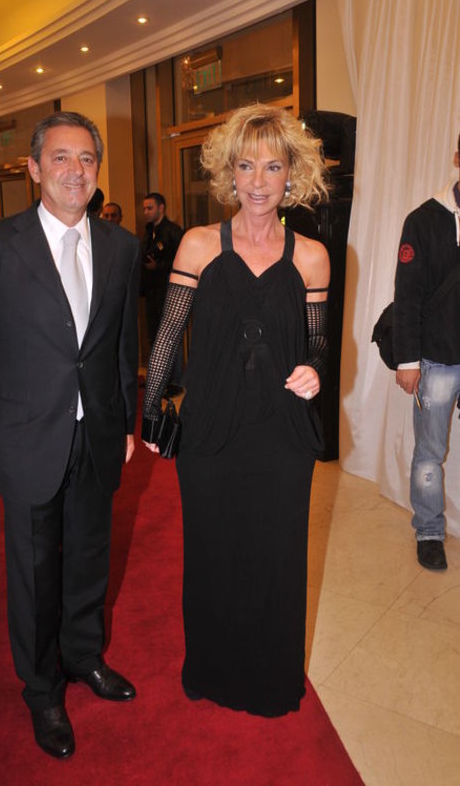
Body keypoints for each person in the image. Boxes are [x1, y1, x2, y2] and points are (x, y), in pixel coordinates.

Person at [0, 111, 141, 759]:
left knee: (90, 554)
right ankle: (41, 689)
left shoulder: (121, 246)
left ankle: (84, 655)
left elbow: (121, 344)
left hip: (98, 431)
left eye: (86, 158)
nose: (75, 171)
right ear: (35, 168)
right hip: (26, 433)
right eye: (61, 157)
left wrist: (124, 421)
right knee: (34, 571)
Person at [142, 104, 329, 717]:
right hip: (210, 430)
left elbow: (318, 343)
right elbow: (168, 335)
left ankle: (272, 678)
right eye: (246, 166)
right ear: (229, 172)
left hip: (282, 434)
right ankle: (211, 668)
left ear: (291, 173)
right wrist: (151, 409)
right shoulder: (199, 245)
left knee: (277, 557)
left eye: (272, 167)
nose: (258, 181)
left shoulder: (311, 256)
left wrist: (315, 369)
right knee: (213, 554)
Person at [393, 132, 460, 571]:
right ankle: (430, 531)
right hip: (437, 359)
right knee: (430, 452)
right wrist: (408, 360)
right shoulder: (424, 220)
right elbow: (408, 295)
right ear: (457, 158)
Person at [140, 192, 183, 396]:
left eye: (149, 208)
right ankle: (158, 378)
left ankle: (175, 382)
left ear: (161, 208)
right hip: (152, 290)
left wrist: (159, 266)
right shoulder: (149, 231)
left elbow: (182, 262)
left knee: (171, 336)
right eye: (144, 208)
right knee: (154, 335)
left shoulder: (173, 231)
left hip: (169, 290)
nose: (145, 212)